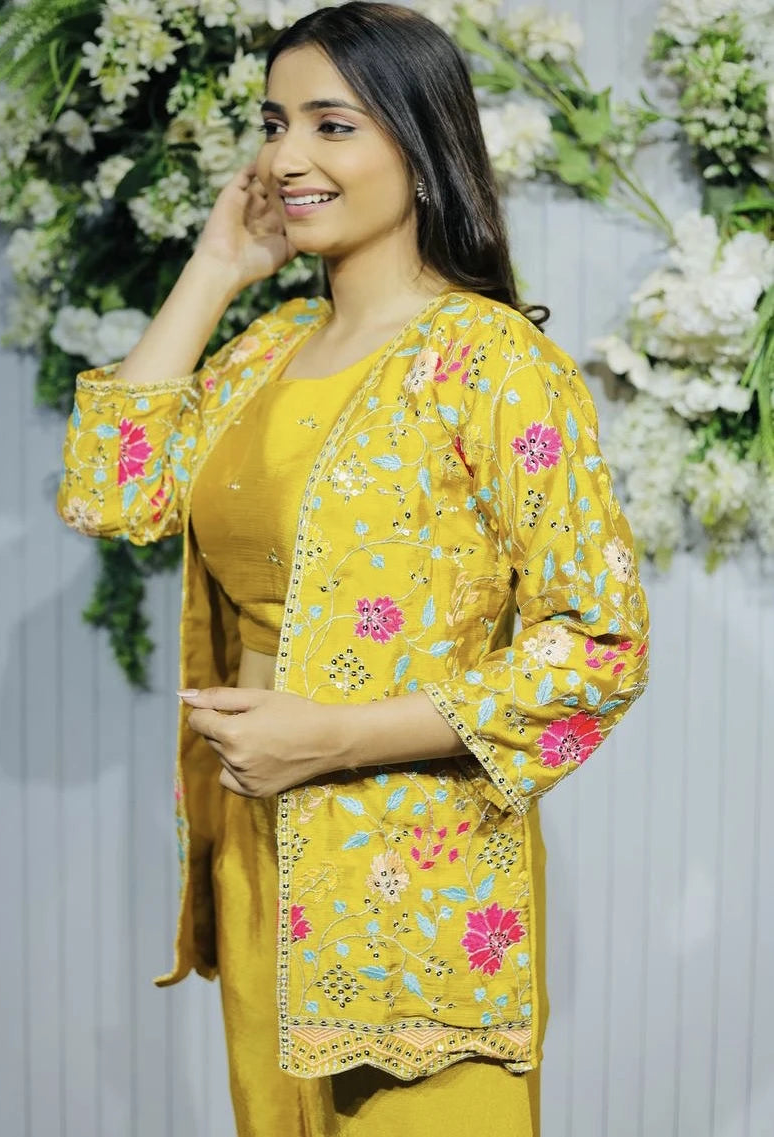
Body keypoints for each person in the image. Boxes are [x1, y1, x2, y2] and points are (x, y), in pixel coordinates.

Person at [57, 3, 649, 1133]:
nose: (286, 156)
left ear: (420, 147)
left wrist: (332, 737)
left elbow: (600, 647)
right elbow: (112, 491)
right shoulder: (270, 348)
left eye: (332, 125)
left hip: (414, 882)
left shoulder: (493, 364)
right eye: (275, 123)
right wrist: (217, 264)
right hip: (257, 848)